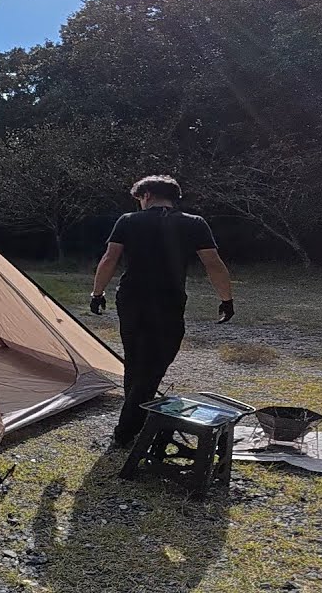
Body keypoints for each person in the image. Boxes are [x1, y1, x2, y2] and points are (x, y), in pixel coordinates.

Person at [88, 175, 235, 448]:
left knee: (136, 361)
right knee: (154, 363)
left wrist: (97, 293)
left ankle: (135, 420)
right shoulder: (194, 223)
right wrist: (226, 299)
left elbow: (110, 258)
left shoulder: (128, 221)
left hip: (131, 298)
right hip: (168, 300)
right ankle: (126, 429)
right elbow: (213, 263)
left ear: (146, 195)